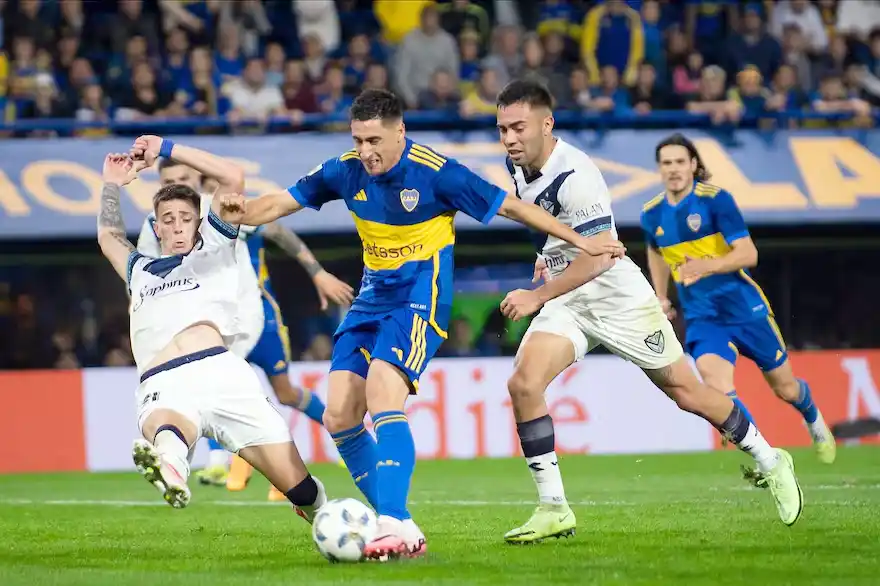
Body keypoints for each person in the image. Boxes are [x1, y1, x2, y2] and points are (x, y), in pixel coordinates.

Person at [238, 88, 625, 561]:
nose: (366, 151)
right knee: (339, 415)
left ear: (400, 132)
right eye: (358, 140)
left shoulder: (437, 172)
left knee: (383, 394)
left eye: (374, 140)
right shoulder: (344, 170)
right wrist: (230, 216)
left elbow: (513, 207)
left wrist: (583, 242)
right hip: (371, 298)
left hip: (420, 299)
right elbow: (278, 203)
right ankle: (402, 527)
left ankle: (390, 521)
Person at [493, 80, 804, 545]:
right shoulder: (517, 165)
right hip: (570, 298)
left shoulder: (576, 173)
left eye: (519, 127)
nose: (510, 138)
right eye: (502, 129)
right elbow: (554, 224)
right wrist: (548, 254)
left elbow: (602, 255)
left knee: (687, 393)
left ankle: (770, 458)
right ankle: (554, 508)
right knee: (523, 384)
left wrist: (537, 296)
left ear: (547, 124)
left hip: (616, 297)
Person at [96, 150, 326, 520]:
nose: (176, 226)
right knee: (166, 428)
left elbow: (232, 176)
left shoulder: (214, 251)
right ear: (156, 228)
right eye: (167, 220)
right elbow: (109, 235)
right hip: (163, 380)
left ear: (199, 224)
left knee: (301, 489)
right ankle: (170, 468)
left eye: (185, 219)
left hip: (222, 376)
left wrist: (165, 146)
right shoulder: (138, 269)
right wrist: (111, 183)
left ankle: (322, 514)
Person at [132, 138, 354, 500]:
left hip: (253, 316)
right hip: (206, 327)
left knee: (283, 392)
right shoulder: (155, 226)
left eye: (185, 177)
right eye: (170, 181)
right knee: (209, 388)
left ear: (198, 177)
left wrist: (316, 273)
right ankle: (220, 463)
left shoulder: (219, 209)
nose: (180, 185)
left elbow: (277, 229)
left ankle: (342, 438)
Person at [641, 133, 836, 469]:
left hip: (744, 309)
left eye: (680, 162)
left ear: (693, 165)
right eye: (666, 163)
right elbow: (656, 253)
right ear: (659, 168)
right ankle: (768, 460)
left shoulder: (716, 201)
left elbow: (748, 254)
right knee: (716, 388)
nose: (673, 169)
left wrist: (707, 265)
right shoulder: (651, 213)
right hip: (703, 316)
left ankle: (815, 422)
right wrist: (661, 295)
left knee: (786, 389)